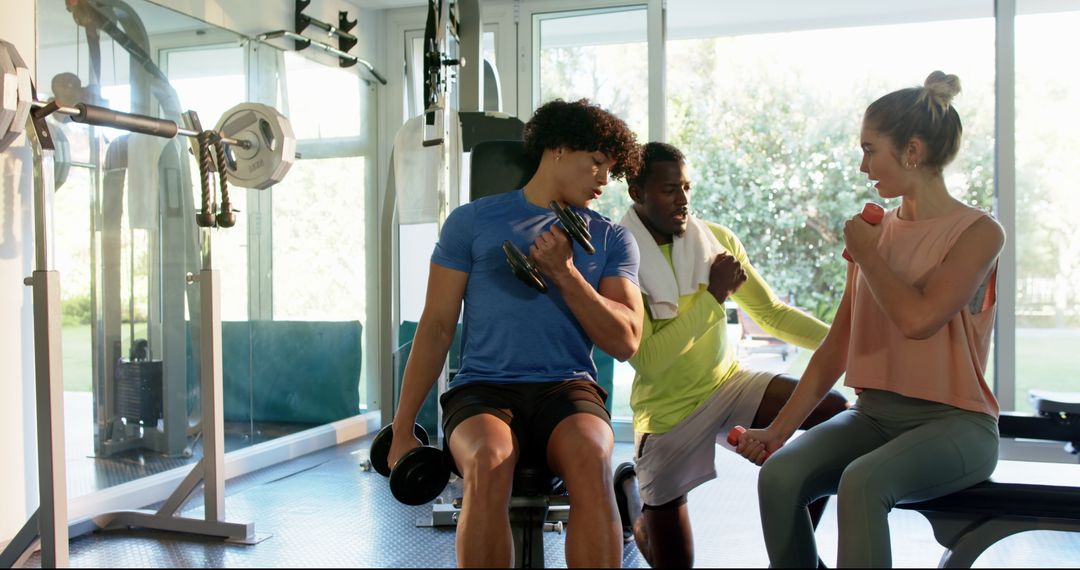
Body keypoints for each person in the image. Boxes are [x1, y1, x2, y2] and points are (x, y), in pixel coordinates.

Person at [733, 71, 1004, 568]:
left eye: (870, 149)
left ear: (912, 150)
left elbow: (919, 318)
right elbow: (837, 346)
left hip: (956, 425)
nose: (863, 167)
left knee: (863, 482)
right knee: (779, 475)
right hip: (874, 416)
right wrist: (777, 431)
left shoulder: (980, 233)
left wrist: (867, 253)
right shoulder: (874, 231)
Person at [388, 98, 645, 568]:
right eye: (597, 164)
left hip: (567, 387)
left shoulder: (610, 237)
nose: (605, 182)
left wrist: (566, 273)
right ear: (559, 150)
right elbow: (437, 325)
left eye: (611, 170)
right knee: (487, 462)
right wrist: (402, 428)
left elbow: (625, 340)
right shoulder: (472, 222)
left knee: (592, 459)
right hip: (484, 388)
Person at [614, 141, 849, 568]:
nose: (683, 200)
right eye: (669, 189)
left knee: (833, 411)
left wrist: (848, 345)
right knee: (673, 562)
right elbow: (647, 358)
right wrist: (713, 296)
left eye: (686, 187)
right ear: (637, 191)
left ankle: (798, 555)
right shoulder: (620, 254)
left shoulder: (716, 241)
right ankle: (635, 506)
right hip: (668, 413)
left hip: (728, 384)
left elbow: (772, 314)